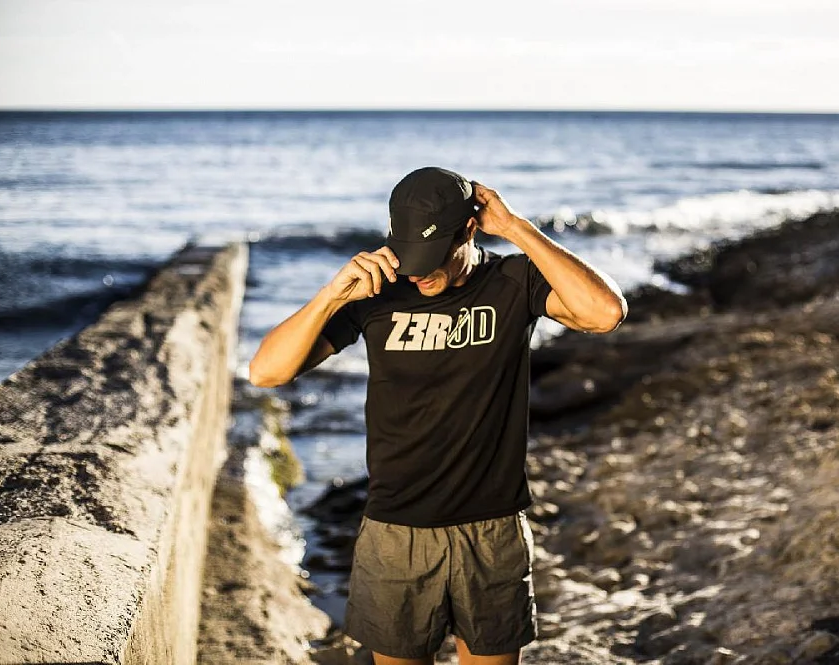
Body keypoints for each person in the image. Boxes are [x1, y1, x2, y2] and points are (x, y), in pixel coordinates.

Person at [249, 166, 627, 665]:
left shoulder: (514, 281)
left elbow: (604, 313)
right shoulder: (380, 290)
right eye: (409, 256)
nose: (418, 273)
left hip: (492, 529)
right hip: (396, 531)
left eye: (431, 258)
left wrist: (514, 227)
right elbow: (267, 372)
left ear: (468, 230)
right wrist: (332, 295)